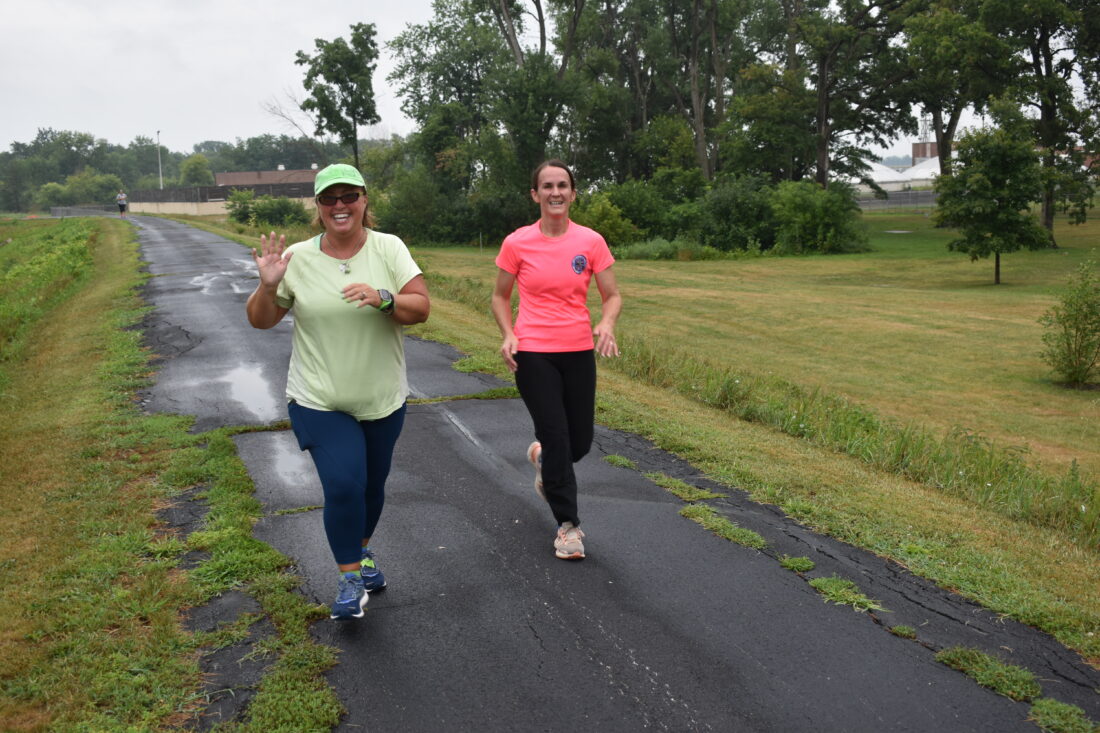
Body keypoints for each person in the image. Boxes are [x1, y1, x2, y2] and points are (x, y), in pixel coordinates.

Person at [246, 163, 430, 620]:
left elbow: (421, 308)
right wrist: (268, 286)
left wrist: (384, 298)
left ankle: (361, 552)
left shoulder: (389, 248)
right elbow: (261, 320)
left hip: (382, 398)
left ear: (364, 200)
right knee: (345, 483)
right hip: (318, 398)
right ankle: (349, 579)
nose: (340, 205)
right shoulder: (298, 258)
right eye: (329, 198)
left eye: (349, 196)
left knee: (371, 488)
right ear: (318, 206)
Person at [491, 159, 622, 560]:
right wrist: (509, 333)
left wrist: (606, 323)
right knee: (557, 435)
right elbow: (500, 296)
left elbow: (612, 295)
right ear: (535, 195)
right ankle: (568, 527)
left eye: (562, 185)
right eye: (547, 186)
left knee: (578, 443)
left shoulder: (591, 242)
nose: (555, 192)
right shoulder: (517, 243)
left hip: (578, 350)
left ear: (573, 193)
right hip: (533, 353)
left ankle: (546, 460)